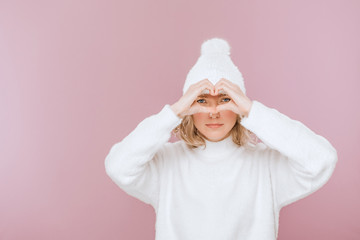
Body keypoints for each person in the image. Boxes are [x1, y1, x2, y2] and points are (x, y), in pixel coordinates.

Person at [104, 38, 338, 240]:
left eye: (225, 100)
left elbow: (321, 159)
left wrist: (253, 110)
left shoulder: (266, 164)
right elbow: (118, 166)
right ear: (189, 107)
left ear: (238, 106)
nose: (213, 111)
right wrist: (173, 112)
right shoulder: (166, 163)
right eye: (202, 101)